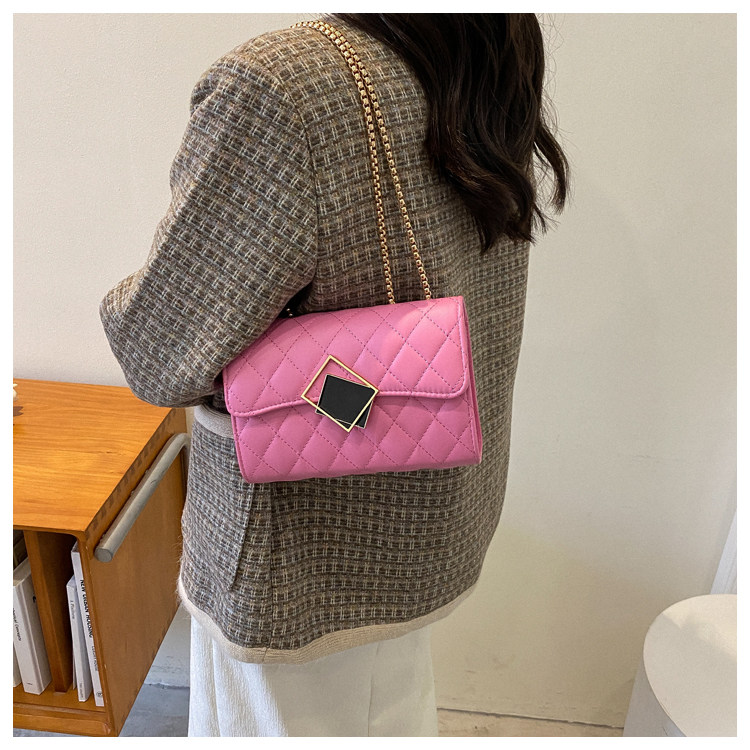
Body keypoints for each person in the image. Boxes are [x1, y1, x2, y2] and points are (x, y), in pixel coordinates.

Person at [99, 13, 568, 737]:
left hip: (297, 548)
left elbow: (158, 349)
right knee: (389, 711)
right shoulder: (484, 38)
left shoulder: (282, 88)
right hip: (423, 514)